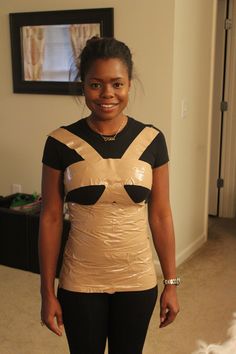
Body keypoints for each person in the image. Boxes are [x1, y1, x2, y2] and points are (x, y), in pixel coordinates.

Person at [39, 36, 180, 354]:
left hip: (138, 280)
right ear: (83, 86)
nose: (107, 95)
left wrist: (170, 283)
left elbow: (161, 214)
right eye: (95, 84)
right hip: (80, 281)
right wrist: (47, 292)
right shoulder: (60, 142)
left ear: (129, 84)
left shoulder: (152, 140)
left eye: (117, 84)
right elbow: (49, 218)